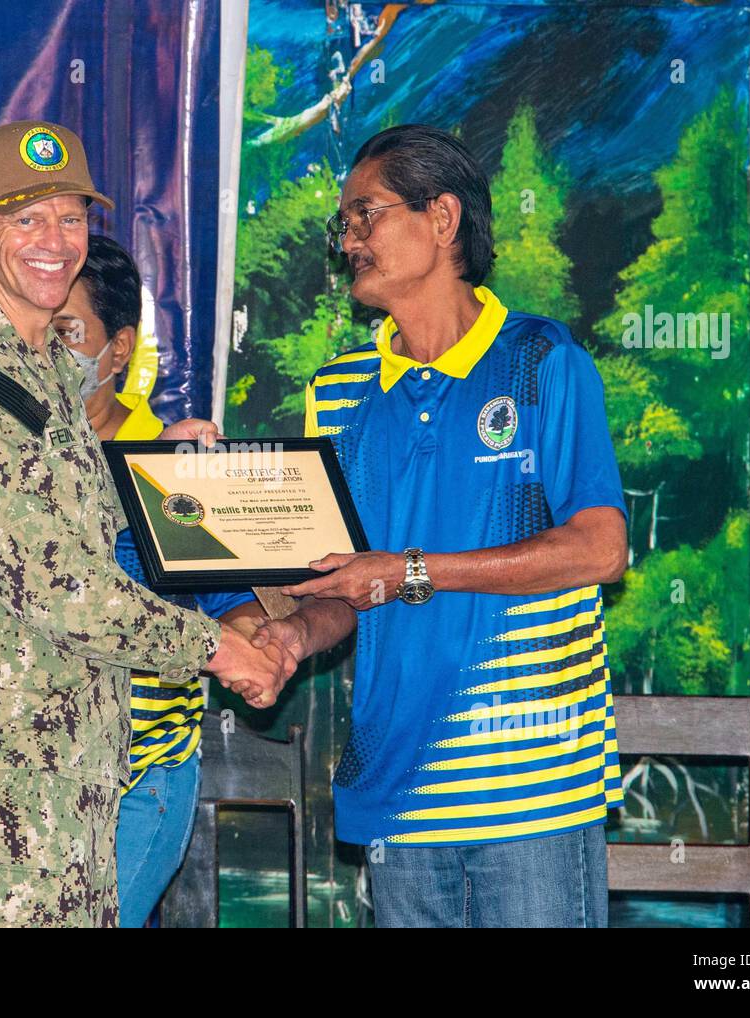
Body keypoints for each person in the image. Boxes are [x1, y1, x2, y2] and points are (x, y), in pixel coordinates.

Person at [0, 119, 294, 927]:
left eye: (71, 217)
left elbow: (61, 518)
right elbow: (61, 587)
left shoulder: (38, 374)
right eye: (25, 218)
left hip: (67, 788)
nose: (54, 241)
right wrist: (219, 648)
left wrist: (156, 468)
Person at [248, 124, 629, 928]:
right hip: (395, 790)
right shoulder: (337, 391)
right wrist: (288, 635)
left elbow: (601, 549)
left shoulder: (541, 361)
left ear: (443, 218)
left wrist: (411, 570)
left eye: (366, 216)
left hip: (532, 789)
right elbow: (343, 589)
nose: (348, 239)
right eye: (342, 225)